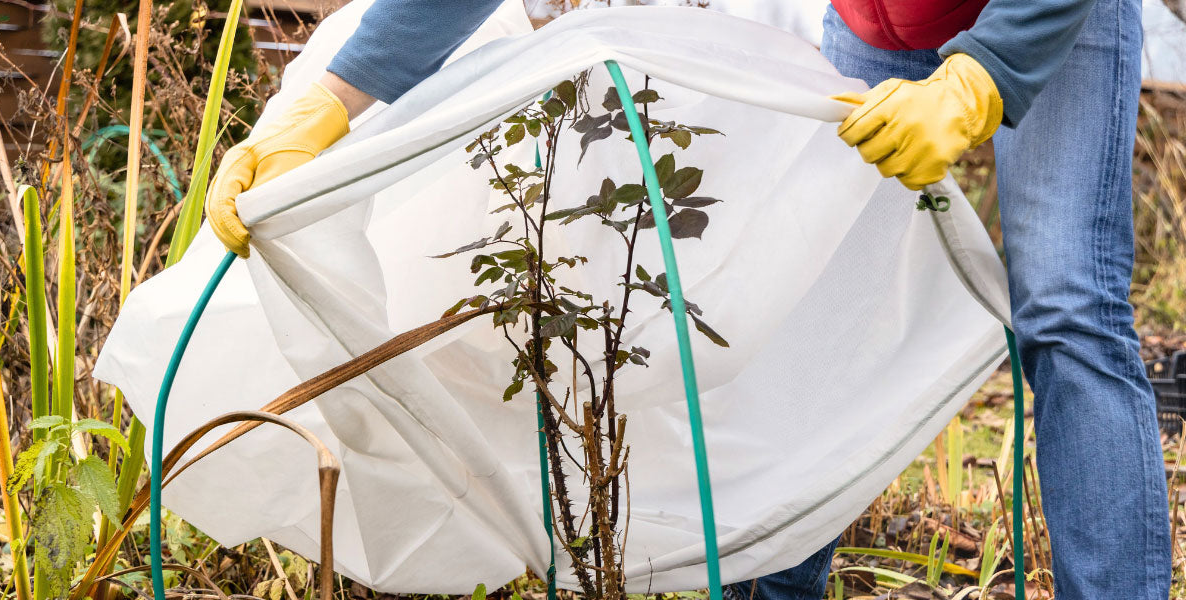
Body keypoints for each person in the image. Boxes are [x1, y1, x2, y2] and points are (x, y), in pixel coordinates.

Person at [204, 1, 1172, 599]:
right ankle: (779, 592)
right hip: (875, 21)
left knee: (1066, 310)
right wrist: (331, 98)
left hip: (1051, 13)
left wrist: (982, 78)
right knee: (819, 307)